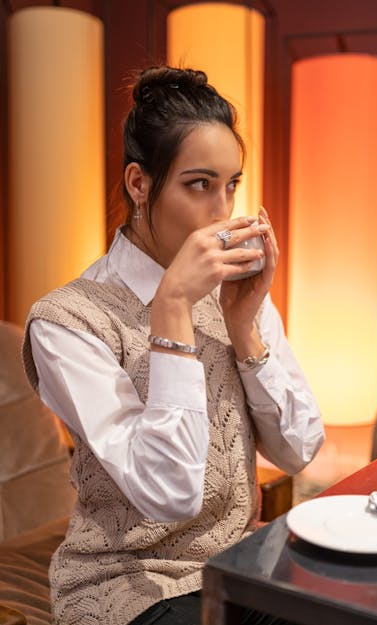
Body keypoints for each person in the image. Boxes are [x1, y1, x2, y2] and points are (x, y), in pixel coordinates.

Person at [22, 65, 324, 625]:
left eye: (231, 185)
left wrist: (244, 329)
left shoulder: (231, 291)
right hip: (126, 584)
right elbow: (170, 496)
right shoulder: (66, 322)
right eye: (199, 185)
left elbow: (297, 450)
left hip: (236, 568)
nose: (221, 213)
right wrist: (172, 310)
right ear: (140, 184)